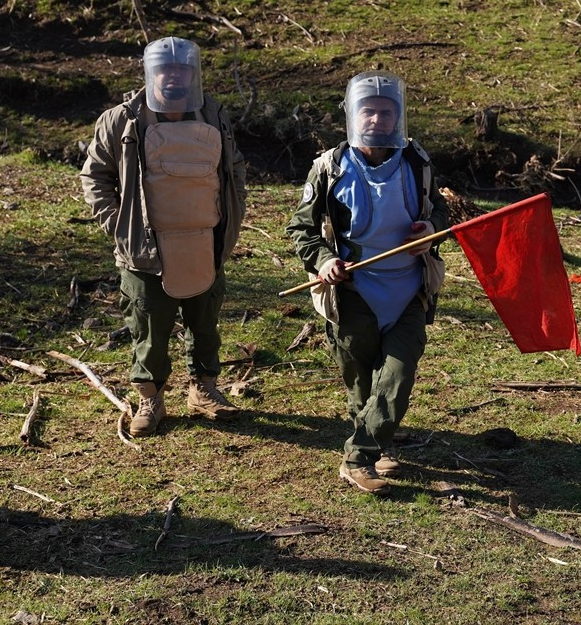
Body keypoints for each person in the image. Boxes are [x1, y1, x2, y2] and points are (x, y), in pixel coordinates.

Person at [286, 70, 447, 495]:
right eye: (368, 111)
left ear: (398, 117)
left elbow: (442, 212)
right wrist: (324, 260)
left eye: (386, 111)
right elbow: (300, 229)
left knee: (396, 374)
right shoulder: (330, 166)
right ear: (354, 115)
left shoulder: (417, 162)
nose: (377, 119)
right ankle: (379, 442)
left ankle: (358, 458)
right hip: (353, 293)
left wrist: (429, 226)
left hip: (409, 289)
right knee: (362, 383)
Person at [80, 36, 247, 437]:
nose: (174, 76)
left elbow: (234, 166)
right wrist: (119, 225)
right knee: (149, 329)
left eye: (182, 69)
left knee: (205, 323)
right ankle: (150, 399)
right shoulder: (123, 119)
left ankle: (204, 389)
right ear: (152, 72)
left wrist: (232, 215)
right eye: (166, 69)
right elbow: (95, 176)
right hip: (145, 250)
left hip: (204, 241)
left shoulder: (213, 113)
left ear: (193, 72)